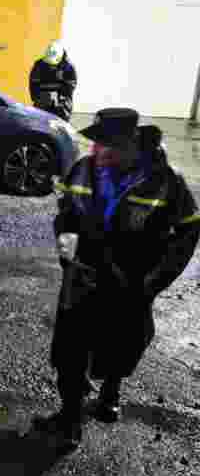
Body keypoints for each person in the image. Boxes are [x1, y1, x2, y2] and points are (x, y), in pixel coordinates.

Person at [31, 107, 200, 448]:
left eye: (105, 145)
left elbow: (188, 228)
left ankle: (109, 396)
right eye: (95, 143)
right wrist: (66, 246)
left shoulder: (166, 180)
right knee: (70, 349)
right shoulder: (83, 169)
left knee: (122, 344)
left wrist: (156, 279)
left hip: (132, 282)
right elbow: (65, 213)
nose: (96, 151)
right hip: (82, 276)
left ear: (130, 145)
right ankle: (69, 419)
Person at [30, 40, 77, 121]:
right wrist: (38, 98)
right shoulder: (39, 65)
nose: (51, 67)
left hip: (62, 104)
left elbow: (70, 87)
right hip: (42, 103)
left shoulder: (68, 67)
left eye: (53, 64)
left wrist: (57, 97)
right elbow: (33, 84)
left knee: (60, 127)